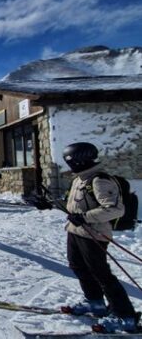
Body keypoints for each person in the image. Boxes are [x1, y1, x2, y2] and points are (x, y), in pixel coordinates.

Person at [33, 142, 137, 333]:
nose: (68, 165)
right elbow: (74, 205)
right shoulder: (80, 179)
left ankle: (125, 316)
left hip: (94, 234)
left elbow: (115, 209)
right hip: (76, 231)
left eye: (70, 161)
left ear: (80, 160)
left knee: (101, 274)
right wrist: (48, 204)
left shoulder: (100, 180)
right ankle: (95, 302)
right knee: (78, 266)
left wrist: (85, 218)